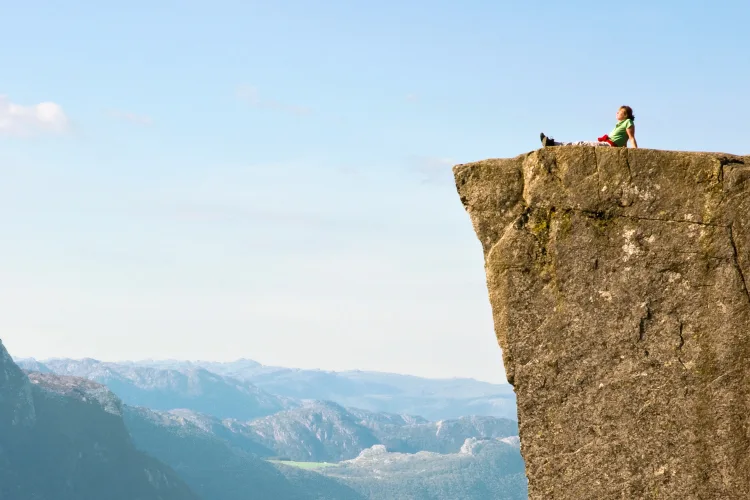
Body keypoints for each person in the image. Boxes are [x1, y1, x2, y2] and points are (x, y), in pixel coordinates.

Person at [540, 106, 638, 148]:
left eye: (619, 112)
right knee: (581, 144)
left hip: (609, 145)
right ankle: (554, 144)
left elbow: (631, 137)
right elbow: (624, 141)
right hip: (608, 144)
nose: (617, 113)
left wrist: (634, 151)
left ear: (625, 115)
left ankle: (553, 144)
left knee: (581, 144)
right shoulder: (620, 124)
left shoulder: (628, 122)